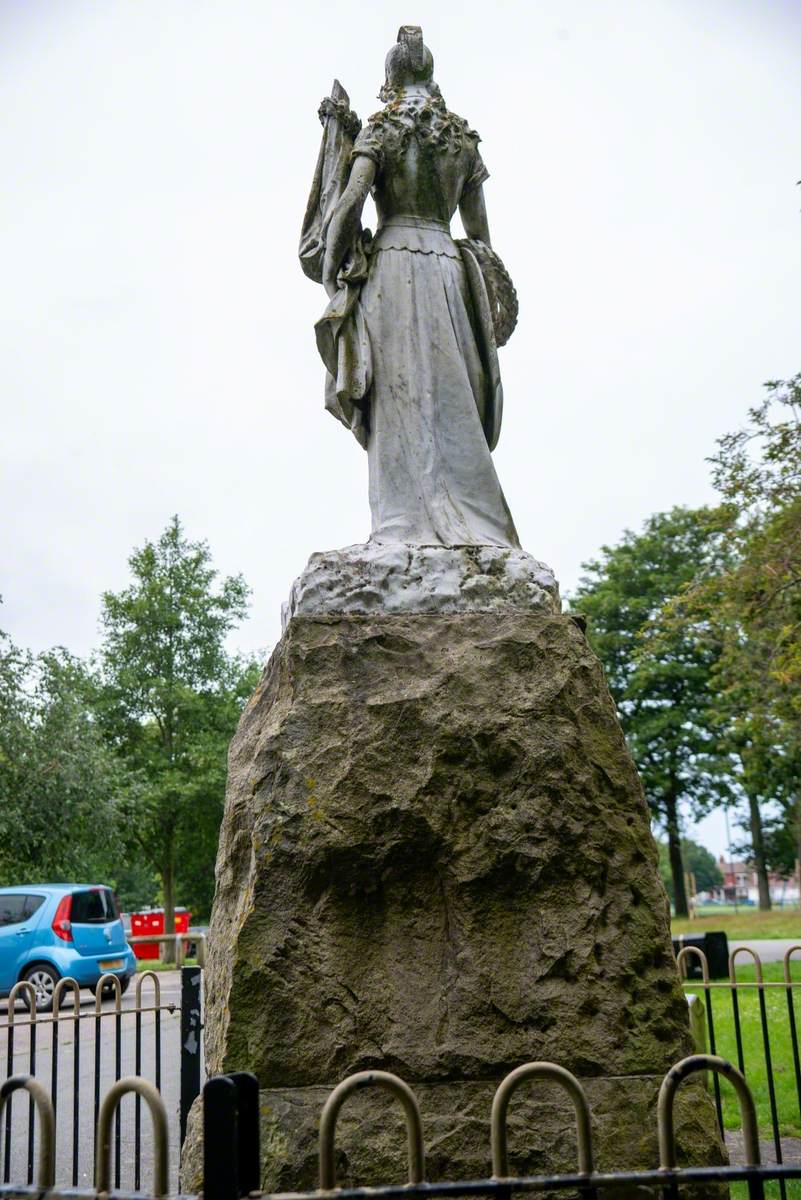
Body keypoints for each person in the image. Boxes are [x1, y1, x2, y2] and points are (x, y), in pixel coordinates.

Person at [312, 26, 520, 549]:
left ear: (390, 78)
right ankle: (475, 522)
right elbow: (481, 237)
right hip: (447, 269)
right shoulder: (461, 139)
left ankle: (401, 524)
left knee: (396, 397)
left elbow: (350, 205)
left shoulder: (382, 128)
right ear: (431, 75)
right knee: (453, 396)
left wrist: (332, 272)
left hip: (393, 267)